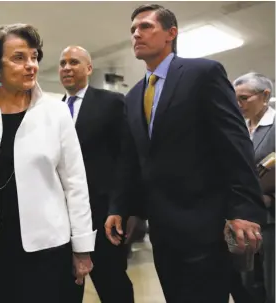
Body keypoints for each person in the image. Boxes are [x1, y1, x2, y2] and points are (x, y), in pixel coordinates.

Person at [105, 4, 267, 303]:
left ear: (171, 33)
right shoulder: (132, 97)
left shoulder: (202, 74)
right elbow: (130, 160)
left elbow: (234, 143)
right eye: (132, 30)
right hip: (163, 231)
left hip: (206, 224)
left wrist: (244, 210)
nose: (136, 34)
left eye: (145, 27)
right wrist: (119, 206)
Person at [0, 23, 96, 303]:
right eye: (19, 57)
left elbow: (75, 182)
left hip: (50, 246)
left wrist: (82, 247)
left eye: (34, 57)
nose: (31, 65)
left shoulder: (56, 111)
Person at [58, 45, 134, 303]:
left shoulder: (111, 103)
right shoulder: (53, 112)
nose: (67, 67)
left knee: (112, 284)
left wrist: (119, 208)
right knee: (66, 287)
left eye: (74, 62)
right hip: (63, 219)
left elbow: (126, 159)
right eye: (63, 63)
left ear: (89, 68)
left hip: (103, 216)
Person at [230, 72, 275, 303]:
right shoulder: (237, 127)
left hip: (271, 220)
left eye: (244, 98)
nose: (238, 104)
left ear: (265, 95)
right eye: (235, 99)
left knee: (271, 282)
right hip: (241, 219)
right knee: (245, 285)